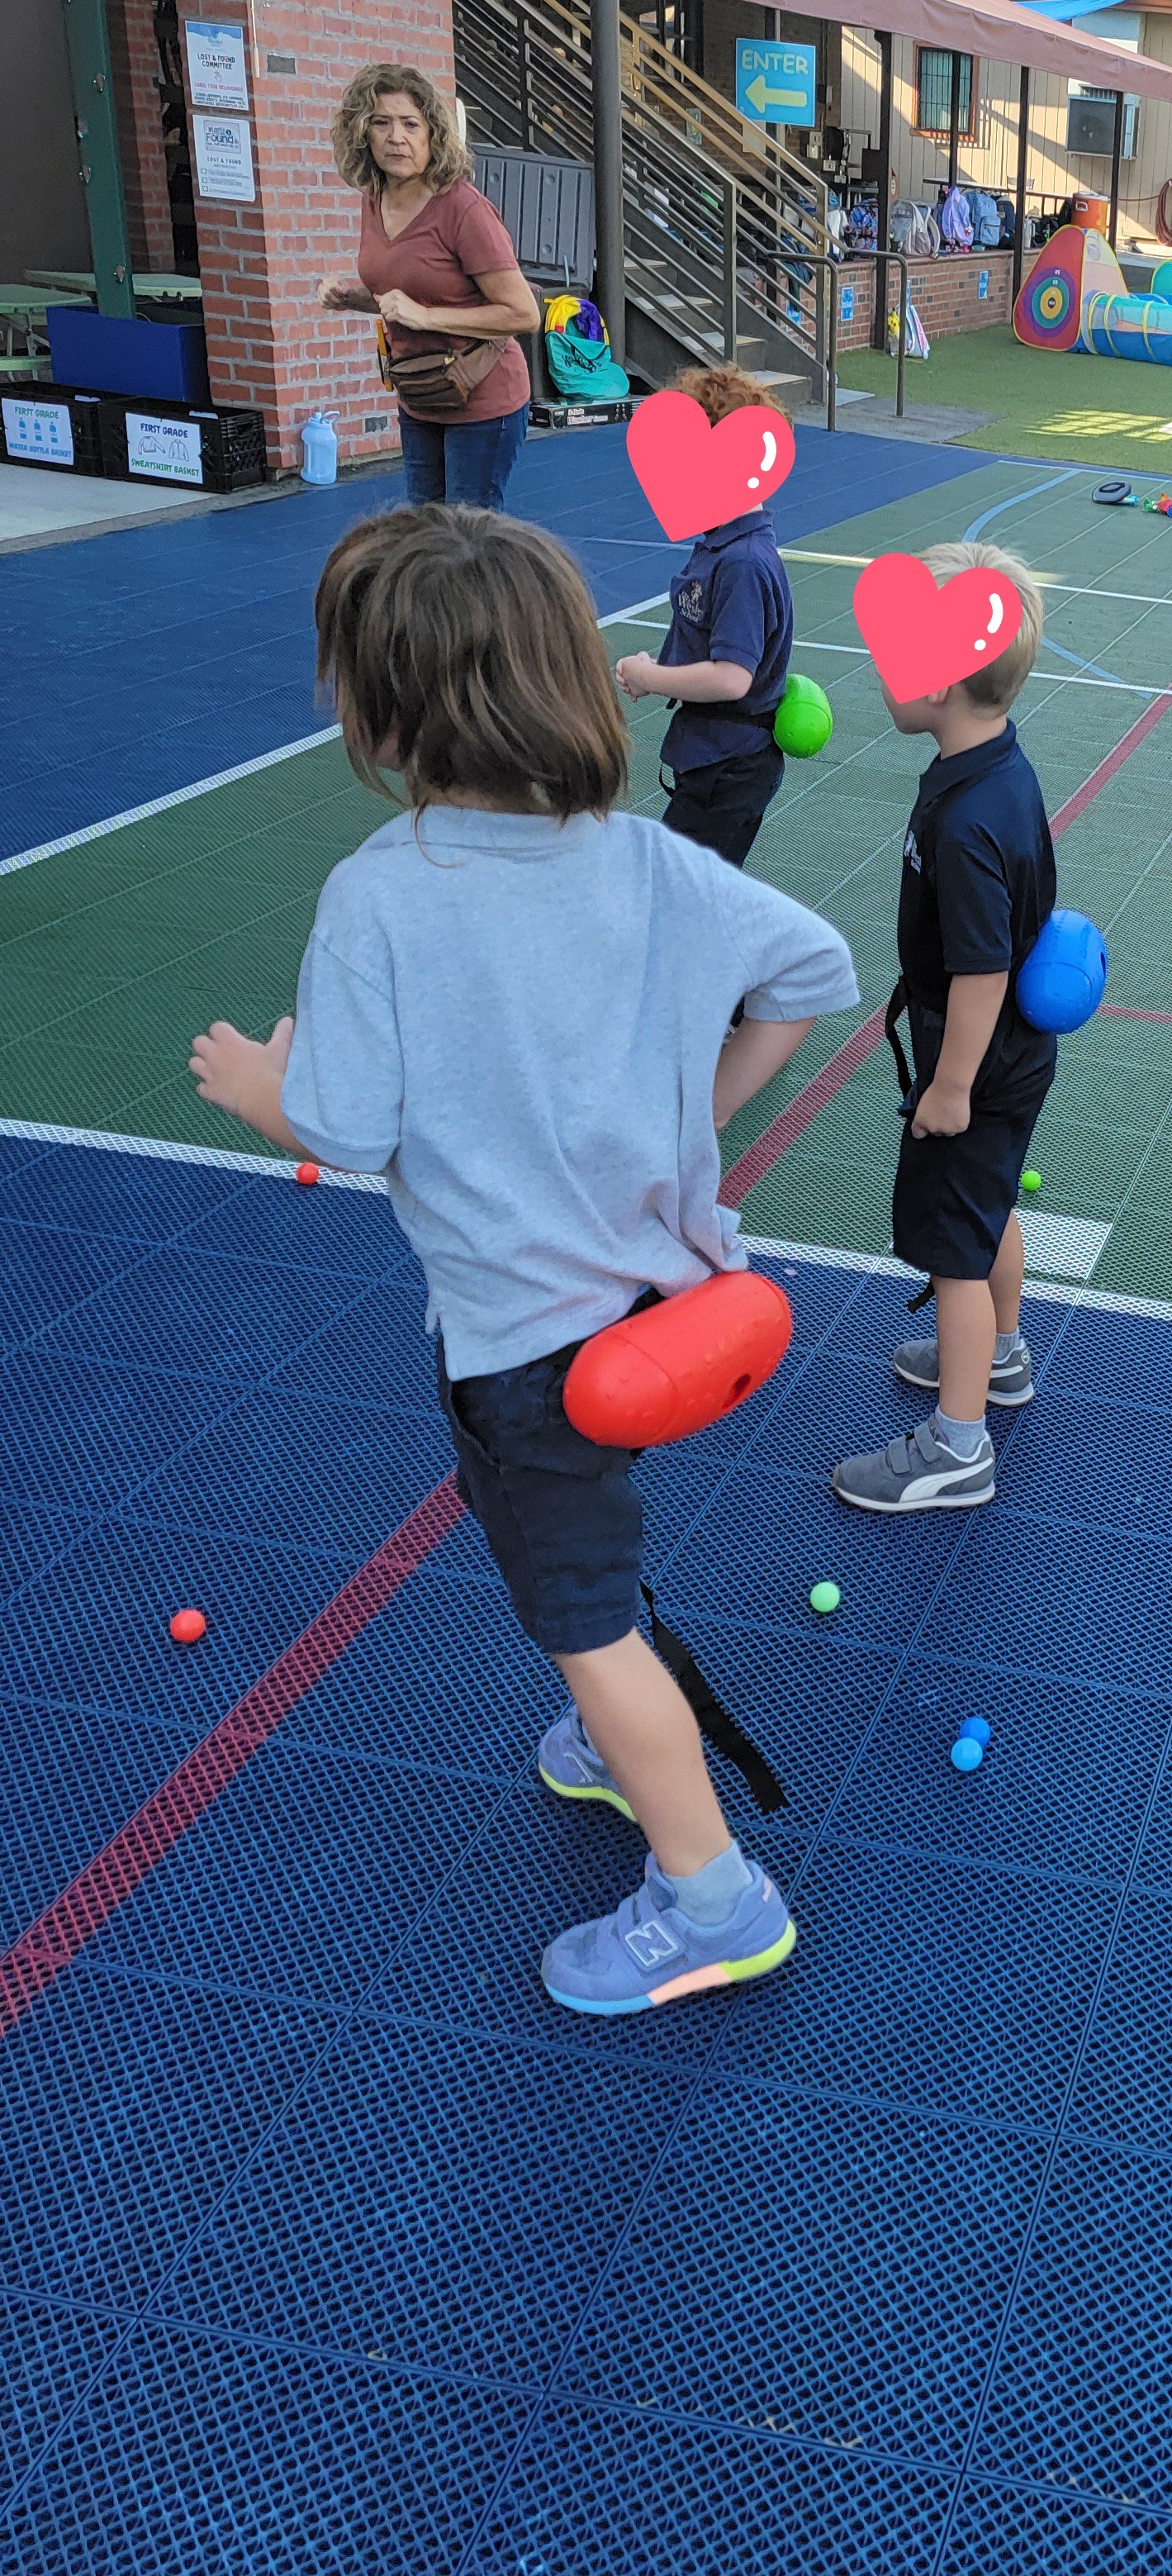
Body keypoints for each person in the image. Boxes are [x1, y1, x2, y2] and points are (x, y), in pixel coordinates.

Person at [187, 503, 859, 2016]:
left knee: (584, 1616)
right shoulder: (647, 861)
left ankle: (714, 1898)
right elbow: (815, 971)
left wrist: (258, 1085)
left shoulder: (380, 893)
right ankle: (614, 1744)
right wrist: (696, 1110)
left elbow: (346, 1126)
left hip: (529, 1357)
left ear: (381, 711)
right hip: (656, 1304)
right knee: (573, 1564)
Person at [830, 544, 1056, 1516]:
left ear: (941, 682)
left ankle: (958, 1446)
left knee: (955, 1249)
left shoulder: (969, 820)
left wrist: (950, 1086)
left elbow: (982, 966)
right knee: (988, 1205)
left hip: (978, 1062)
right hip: (1005, 1055)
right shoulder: (990, 768)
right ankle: (1000, 1356)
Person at [318, 62, 539, 508]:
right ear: (362, 134)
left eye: (410, 124)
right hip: (420, 394)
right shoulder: (375, 200)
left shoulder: (463, 209)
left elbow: (523, 314)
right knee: (424, 533)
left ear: (432, 135)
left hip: (483, 397)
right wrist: (352, 298)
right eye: (381, 123)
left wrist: (426, 316)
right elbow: (405, 295)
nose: (395, 137)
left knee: (463, 536)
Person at [615, 366, 797, 868]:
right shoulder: (723, 546)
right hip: (711, 754)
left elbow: (732, 677)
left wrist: (651, 678)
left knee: (686, 889)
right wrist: (663, 666)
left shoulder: (742, 562)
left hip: (730, 764)